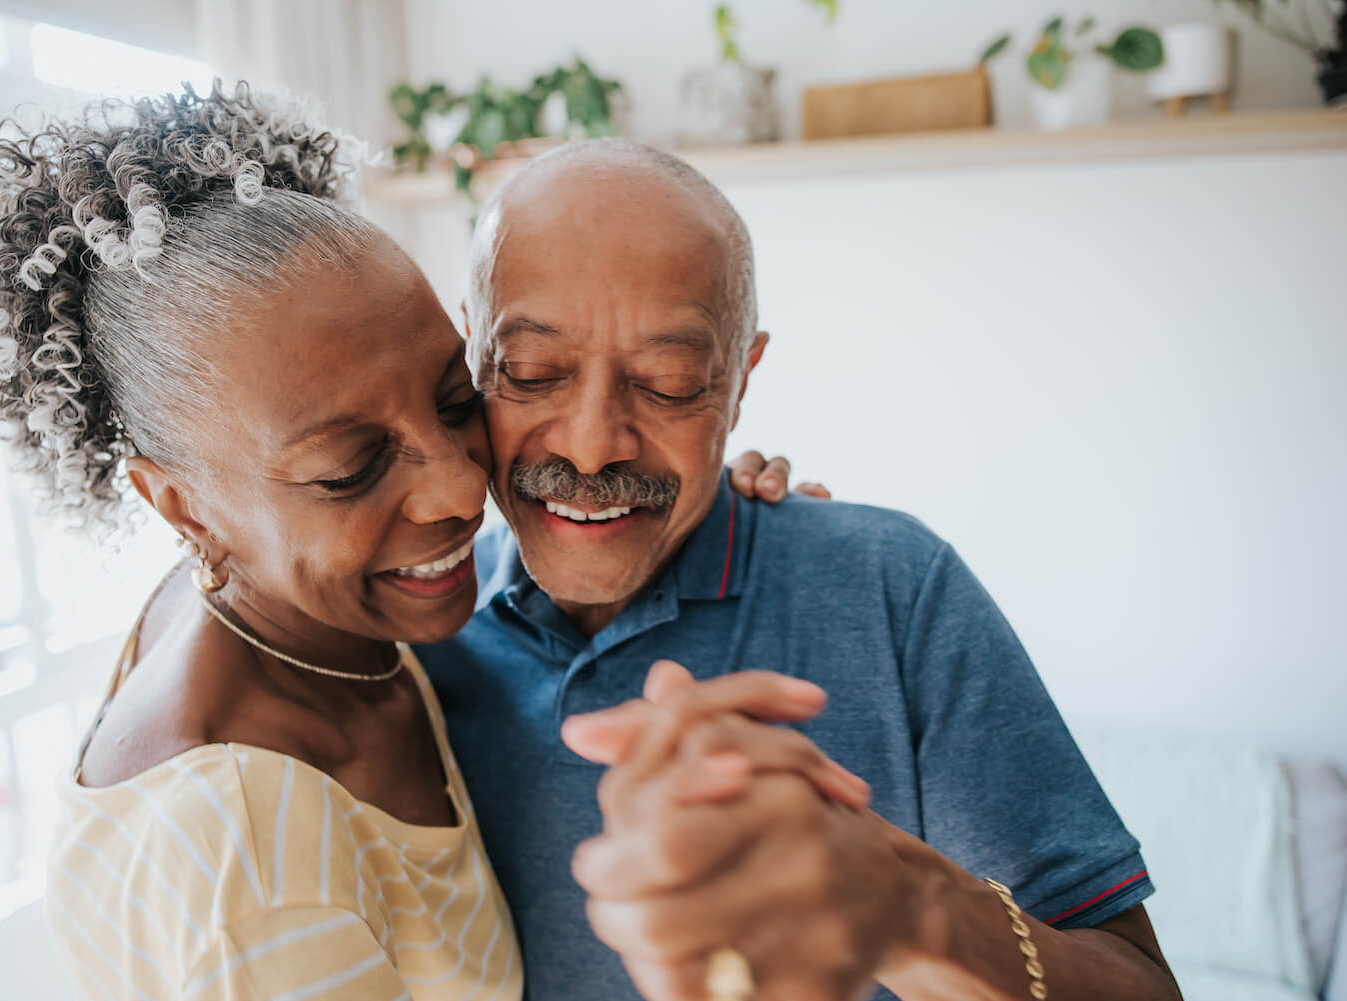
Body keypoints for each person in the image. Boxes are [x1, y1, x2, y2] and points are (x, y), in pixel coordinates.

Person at [0, 83, 842, 1001]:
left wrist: (697, 482)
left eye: (454, 400)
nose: (461, 487)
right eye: (353, 466)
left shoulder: (301, 610)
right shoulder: (249, 861)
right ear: (183, 508)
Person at [416, 138, 1184, 1001]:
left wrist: (913, 906)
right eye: (532, 372)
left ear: (740, 381)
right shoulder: (414, 641)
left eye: (670, 383)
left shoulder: (894, 588)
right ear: (473, 352)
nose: (592, 444)